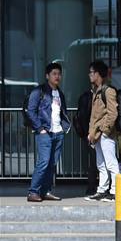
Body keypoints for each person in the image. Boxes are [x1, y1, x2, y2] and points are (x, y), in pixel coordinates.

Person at [25, 62, 71, 202]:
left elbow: (62, 112)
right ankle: (33, 192)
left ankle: (45, 191)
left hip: (58, 132)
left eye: (59, 74)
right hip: (45, 133)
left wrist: (63, 128)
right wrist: (40, 128)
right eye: (54, 74)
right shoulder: (39, 91)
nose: (57, 76)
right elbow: (30, 110)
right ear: (47, 76)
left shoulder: (60, 94)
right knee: (43, 162)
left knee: (52, 164)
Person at [85, 61, 118, 202]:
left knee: (111, 163)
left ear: (99, 74)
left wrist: (104, 131)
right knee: (101, 164)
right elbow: (95, 116)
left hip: (105, 134)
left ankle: (115, 191)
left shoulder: (108, 91)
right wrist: (92, 133)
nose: (90, 75)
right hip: (97, 135)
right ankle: (102, 190)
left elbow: (113, 113)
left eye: (92, 72)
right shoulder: (96, 91)